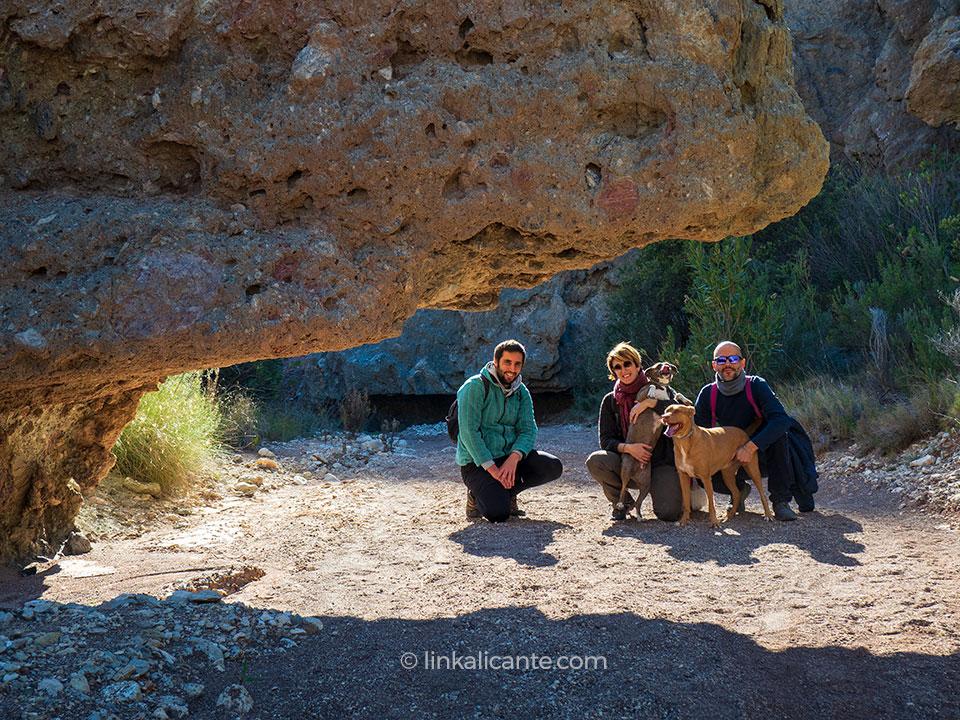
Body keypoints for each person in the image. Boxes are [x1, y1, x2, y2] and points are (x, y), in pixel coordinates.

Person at [693, 340, 815, 521]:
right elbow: (699, 433)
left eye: (733, 359)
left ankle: (780, 502)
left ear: (742, 363)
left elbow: (781, 420)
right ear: (713, 365)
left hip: (763, 454)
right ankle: (738, 492)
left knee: (779, 436)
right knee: (700, 470)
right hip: (727, 457)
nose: (727, 364)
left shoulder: (756, 385)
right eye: (721, 360)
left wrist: (750, 447)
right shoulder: (707, 394)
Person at [585, 342, 701, 522]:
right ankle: (622, 503)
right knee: (597, 461)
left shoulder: (659, 391)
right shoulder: (610, 401)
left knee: (669, 512)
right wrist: (630, 449)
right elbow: (606, 440)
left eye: (627, 364)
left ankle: (686, 492)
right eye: (617, 367)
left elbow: (682, 413)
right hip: (628, 461)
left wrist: (652, 403)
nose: (623, 370)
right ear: (613, 371)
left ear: (638, 365)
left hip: (661, 463)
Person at [456, 339, 563, 521]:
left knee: (552, 466)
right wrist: (493, 470)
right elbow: (469, 433)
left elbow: (528, 430)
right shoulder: (475, 387)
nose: (512, 369)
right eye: (507, 362)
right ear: (496, 361)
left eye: (517, 364)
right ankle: (475, 495)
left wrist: (514, 458)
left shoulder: (521, 391)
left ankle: (507, 491)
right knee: (498, 514)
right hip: (477, 463)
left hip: (508, 459)